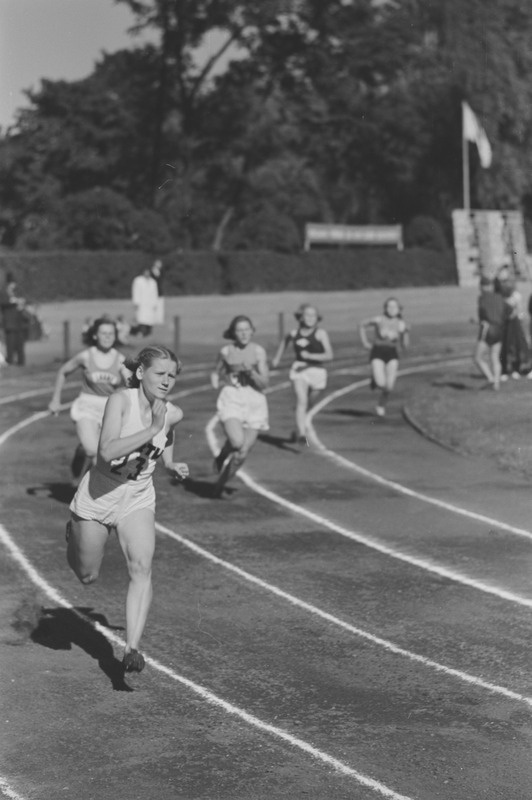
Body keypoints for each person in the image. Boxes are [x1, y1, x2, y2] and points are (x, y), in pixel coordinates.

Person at [67, 345, 189, 672]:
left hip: (137, 497)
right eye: (159, 374)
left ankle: (132, 648)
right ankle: (74, 534)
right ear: (139, 373)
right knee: (87, 575)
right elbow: (105, 452)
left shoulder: (171, 412)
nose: (166, 381)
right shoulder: (121, 401)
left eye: (172, 376)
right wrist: (150, 430)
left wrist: (170, 462)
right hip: (99, 495)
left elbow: (169, 429)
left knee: (141, 567)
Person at [49, 318, 128, 484]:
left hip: (108, 410)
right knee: (93, 450)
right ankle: (93, 490)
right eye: (103, 333)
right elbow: (63, 371)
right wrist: (55, 400)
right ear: (95, 336)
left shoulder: (120, 360)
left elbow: (132, 385)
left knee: (103, 454)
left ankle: (82, 461)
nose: (107, 337)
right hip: (87, 406)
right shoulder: (86, 356)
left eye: (111, 334)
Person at [211, 315, 269, 496]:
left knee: (242, 453)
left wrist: (251, 372)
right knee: (237, 442)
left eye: (247, 329)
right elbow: (217, 370)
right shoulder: (226, 351)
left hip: (255, 401)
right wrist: (216, 381)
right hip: (233, 398)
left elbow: (264, 384)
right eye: (239, 330)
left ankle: (220, 484)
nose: (244, 333)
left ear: (252, 331)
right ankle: (222, 455)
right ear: (233, 333)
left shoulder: (259, 352)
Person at [272, 304, 333, 443]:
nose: (310, 318)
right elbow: (284, 341)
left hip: (318, 371)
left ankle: (296, 428)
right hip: (299, 370)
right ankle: (301, 434)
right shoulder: (294, 333)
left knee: (308, 404)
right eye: (307, 315)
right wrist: (277, 357)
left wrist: (311, 355)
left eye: (313, 315)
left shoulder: (320, 334)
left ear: (317, 318)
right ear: (300, 317)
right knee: (302, 401)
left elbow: (329, 355)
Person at [359, 297, 410, 416]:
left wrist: (406, 332)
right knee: (381, 383)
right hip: (377, 352)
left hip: (392, 353)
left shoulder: (401, 324)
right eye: (389, 306)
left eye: (394, 307)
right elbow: (361, 325)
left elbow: (405, 346)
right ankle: (375, 380)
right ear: (385, 308)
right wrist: (365, 342)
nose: (391, 309)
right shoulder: (378, 319)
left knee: (389, 387)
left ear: (399, 309)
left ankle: (381, 405)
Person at [474, 276, 508, 390]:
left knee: (478, 358)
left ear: (483, 286)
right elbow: (507, 311)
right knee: (495, 357)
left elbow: (482, 315)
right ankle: (496, 383)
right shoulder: (499, 297)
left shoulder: (482, 298)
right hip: (499, 329)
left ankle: (490, 378)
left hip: (488, 329)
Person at [0, 277, 29, 366]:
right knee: (10, 345)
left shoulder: (17, 292)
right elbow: (2, 303)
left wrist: (21, 303)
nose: (14, 285)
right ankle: (10, 361)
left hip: (19, 323)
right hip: (9, 323)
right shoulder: (3, 293)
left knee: (20, 344)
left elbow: (24, 300)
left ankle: (21, 362)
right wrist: (12, 302)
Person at [131, 266, 159, 337]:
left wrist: (155, 303)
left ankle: (148, 332)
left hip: (150, 304)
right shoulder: (138, 280)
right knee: (141, 318)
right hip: (141, 303)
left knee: (149, 319)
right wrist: (136, 302)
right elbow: (136, 292)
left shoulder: (153, 282)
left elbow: (155, 293)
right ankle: (141, 332)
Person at [150, 260, 165, 325]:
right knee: (153, 306)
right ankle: (153, 319)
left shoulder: (161, 271)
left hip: (159, 292)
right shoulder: (152, 271)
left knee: (160, 307)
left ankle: (159, 319)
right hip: (153, 293)